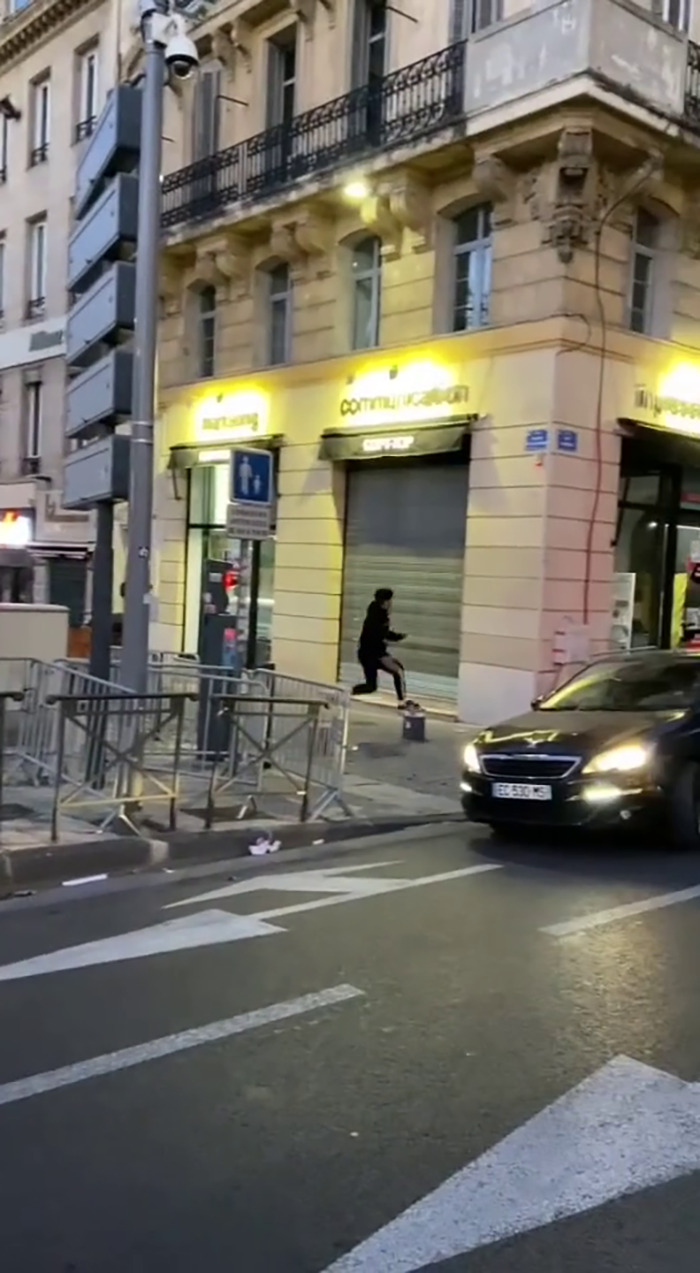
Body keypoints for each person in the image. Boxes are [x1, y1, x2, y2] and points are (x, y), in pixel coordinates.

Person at [352, 587, 408, 709]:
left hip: (368, 654)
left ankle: (348, 692)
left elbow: (382, 633)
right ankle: (402, 702)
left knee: (371, 686)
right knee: (398, 671)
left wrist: (395, 636)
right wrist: (396, 637)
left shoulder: (376, 614)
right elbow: (381, 633)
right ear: (385, 602)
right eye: (390, 601)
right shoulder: (378, 617)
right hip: (373, 654)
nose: (391, 604)